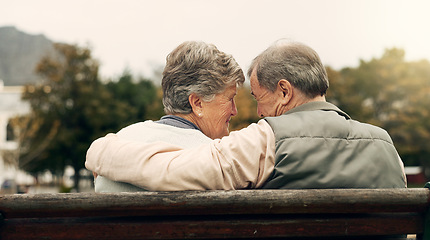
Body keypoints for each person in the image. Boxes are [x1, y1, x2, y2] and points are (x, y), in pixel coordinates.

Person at [86, 39, 406, 191]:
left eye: (257, 97)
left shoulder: (267, 140)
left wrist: (101, 149)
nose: (254, 113)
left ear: (284, 91)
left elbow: (168, 171)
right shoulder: (385, 144)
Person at [92, 41, 245, 192]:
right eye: (230, 98)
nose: (234, 110)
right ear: (197, 103)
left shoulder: (115, 145)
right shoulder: (218, 162)